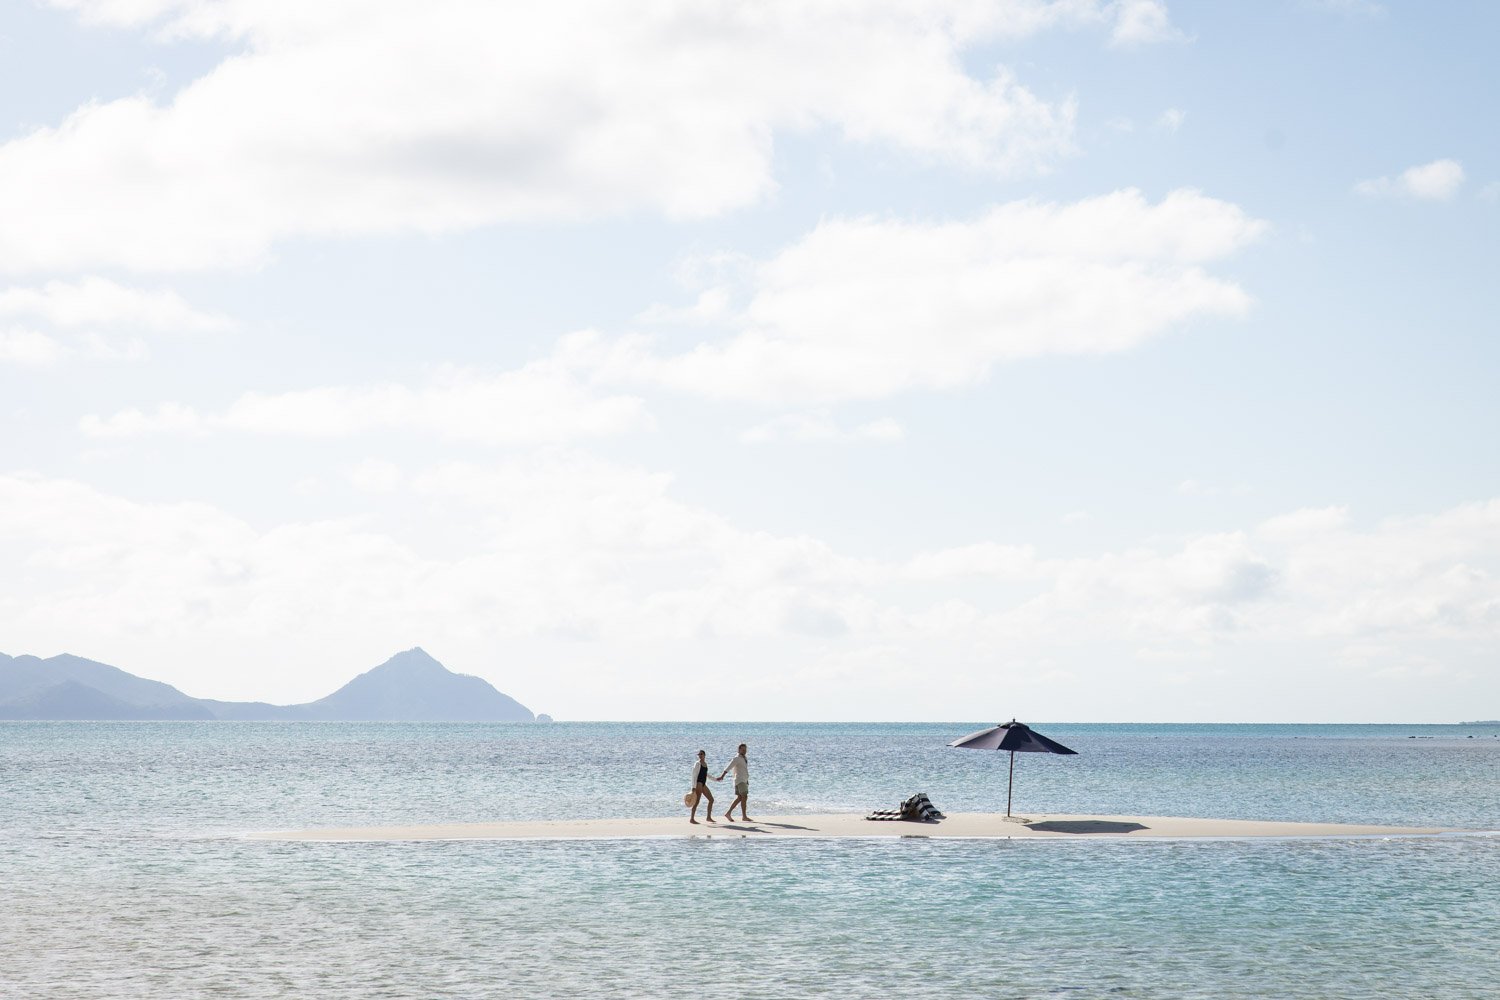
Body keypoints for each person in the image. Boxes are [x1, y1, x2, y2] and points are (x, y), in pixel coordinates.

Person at [717, 743, 751, 822]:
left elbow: (743, 770)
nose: (744, 751)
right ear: (739, 750)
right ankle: (744, 816)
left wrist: (747, 779)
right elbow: (729, 767)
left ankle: (728, 813)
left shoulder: (744, 758)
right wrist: (722, 776)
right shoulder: (736, 758)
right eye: (742, 749)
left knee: (740, 798)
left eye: (745, 749)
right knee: (744, 797)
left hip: (744, 780)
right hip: (739, 780)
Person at [688, 749, 717, 824]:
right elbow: (694, 776)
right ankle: (692, 819)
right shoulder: (697, 763)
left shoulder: (705, 764)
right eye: (699, 754)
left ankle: (708, 817)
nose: (700, 756)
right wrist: (693, 787)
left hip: (703, 784)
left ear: (704, 755)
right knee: (696, 801)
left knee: (711, 800)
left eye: (701, 754)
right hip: (698, 784)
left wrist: (716, 779)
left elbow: (706, 775)